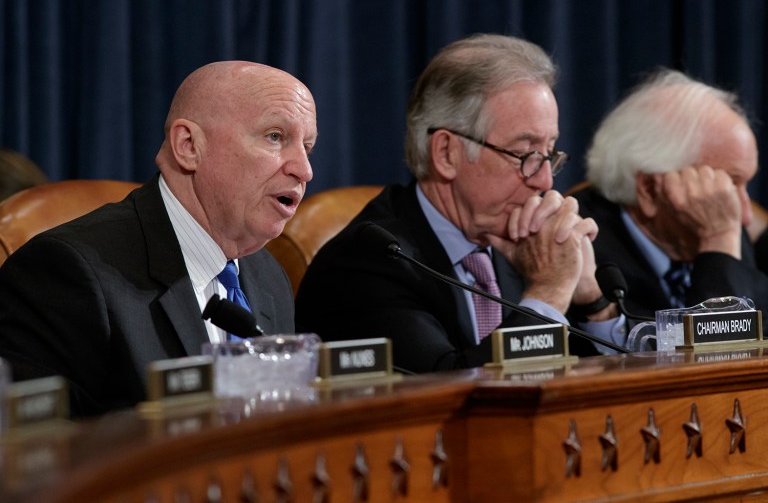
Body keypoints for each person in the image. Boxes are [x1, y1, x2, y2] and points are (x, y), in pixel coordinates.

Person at [0, 61, 317, 416]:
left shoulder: (268, 275)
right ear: (188, 146)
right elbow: (47, 454)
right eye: (275, 137)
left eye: (307, 147)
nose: (303, 169)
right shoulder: (66, 272)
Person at [295, 34, 623, 374]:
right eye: (525, 154)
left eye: (549, 154)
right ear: (446, 153)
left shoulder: (524, 247)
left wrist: (593, 302)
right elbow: (450, 391)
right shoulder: (368, 261)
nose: (545, 181)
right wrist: (549, 291)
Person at [571, 69, 768, 321]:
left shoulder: (726, 226)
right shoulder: (587, 250)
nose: (745, 216)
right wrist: (717, 239)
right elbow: (715, 355)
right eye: (728, 185)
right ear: (650, 190)